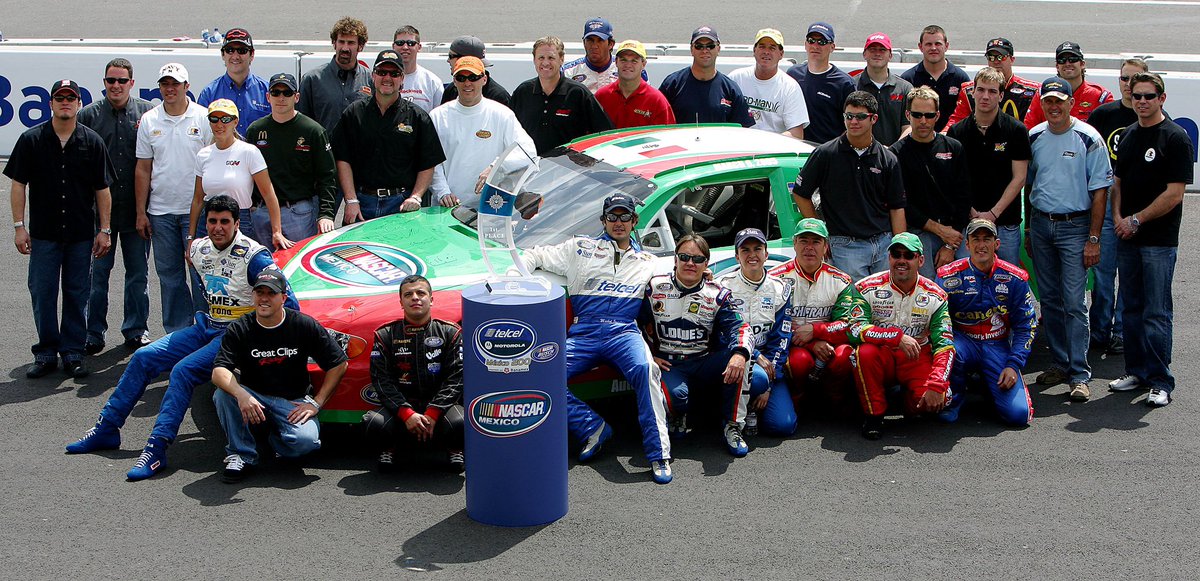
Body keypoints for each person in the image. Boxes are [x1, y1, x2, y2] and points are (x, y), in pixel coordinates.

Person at [65, 195, 298, 482]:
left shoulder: (255, 256)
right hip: (208, 326)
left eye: (225, 222)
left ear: (237, 224)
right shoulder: (198, 249)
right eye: (212, 221)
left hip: (239, 335)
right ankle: (106, 429)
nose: (218, 228)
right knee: (143, 357)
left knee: (183, 371)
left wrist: (258, 337)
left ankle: (157, 448)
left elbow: (290, 304)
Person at [522, 193, 672, 484]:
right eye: (612, 216)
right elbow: (533, 255)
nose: (618, 222)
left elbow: (679, 282)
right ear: (603, 220)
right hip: (584, 332)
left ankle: (659, 454)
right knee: (539, 373)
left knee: (646, 370)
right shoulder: (579, 248)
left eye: (624, 216)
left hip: (624, 331)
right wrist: (514, 280)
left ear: (634, 221)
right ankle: (592, 427)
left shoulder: (649, 261)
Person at [6, 79, 114, 379]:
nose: (65, 102)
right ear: (51, 103)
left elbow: (103, 189)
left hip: (81, 235)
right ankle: (45, 352)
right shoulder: (31, 140)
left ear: (79, 103)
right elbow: (18, 185)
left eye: (70, 98)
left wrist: (105, 229)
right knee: (42, 293)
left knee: (78, 294)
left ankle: (73, 352)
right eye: (59, 97)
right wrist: (19, 226)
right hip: (44, 235)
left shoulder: (92, 142)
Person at [211, 270, 348, 482]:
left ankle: (272, 439)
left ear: (283, 298)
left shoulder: (302, 324)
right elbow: (218, 371)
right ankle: (241, 454)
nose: (264, 298)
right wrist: (241, 394)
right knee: (223, 394)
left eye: (271, 293)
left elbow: (339, 363)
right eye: (260, 292)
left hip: (293, 400)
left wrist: (317, 402)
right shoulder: (240, 328)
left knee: (306, 443)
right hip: (254, 396)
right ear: (253, 295)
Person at [1109, 72, 1194, 407]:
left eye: (1148, 96)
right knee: (1131, 308)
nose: (1142, 101)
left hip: (1159, 241)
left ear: (1162, 98)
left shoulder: (1176, 137)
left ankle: (1160, 380)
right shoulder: (1129, 135)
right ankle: (1136, 371)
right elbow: (1117, 183)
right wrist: (1118, 217)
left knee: (1156, 312)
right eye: (1137, 96)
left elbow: (1174, 194)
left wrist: (1136, 219)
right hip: (1128, 238)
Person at [1026, 77, 1113, 402]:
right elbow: (1028, 184)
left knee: (1074, 303)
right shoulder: (1034, 136)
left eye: (1059, 101)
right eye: (1048, 101)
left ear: (1071, 103)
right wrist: (1029, 230)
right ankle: (1060, 364)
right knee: (1049, 299)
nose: (1054, 107)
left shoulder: (1089, 137)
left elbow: (1100, 191)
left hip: (1076, 227)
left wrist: (1094, 238)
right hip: (1041, 224)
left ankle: (1079, 373)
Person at [832, 233, 954, 439]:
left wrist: (937, 384)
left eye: (909, 255)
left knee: (941, 398)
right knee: (864, 352)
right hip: (883, 354)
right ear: (889, 258)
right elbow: (854, 330)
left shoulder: (936, 295)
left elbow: (945, 345)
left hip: (916, 356)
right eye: (896, 254)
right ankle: (874, 415)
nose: (901, 260)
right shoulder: (866, 287)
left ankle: (906, 403)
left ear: (920, 260)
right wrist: (895, 337)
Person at [640, 234, 753, 455]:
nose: (690, 263)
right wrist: (648, 355)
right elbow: (633, 325)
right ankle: (678, 413)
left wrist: (739, 354)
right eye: (684, 257)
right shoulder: (654, 288)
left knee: (743, 358)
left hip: (704, 361)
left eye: (698, 259)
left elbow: (741, 328)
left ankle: (732, 425)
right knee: (674, 399)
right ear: (675, 259)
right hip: (670, 364)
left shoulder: (717, 294)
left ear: (706, 264)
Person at [78, 58, 154, 354]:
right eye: (111, 80)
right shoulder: (88, 115)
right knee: (97, 276)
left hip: (137, 211)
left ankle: (136, 330)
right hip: (100, 215)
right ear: (104, 82)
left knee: (138, 275)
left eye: (122, 80)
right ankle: (93, 332)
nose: (116, 85)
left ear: (132, 83)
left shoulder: (148, 113)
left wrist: (144, 211)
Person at [792, 91, 907, 280]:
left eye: (860, 117)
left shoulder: (888, 159)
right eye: (849, 116)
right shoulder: (825, 154)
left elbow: (897, 206)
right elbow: (800, 193)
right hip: (844, 244)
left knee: (885, 298)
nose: (853, 121)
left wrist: (900, 246)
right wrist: (820, 233)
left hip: (883, 242)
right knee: (854, 299)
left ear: (874, 119)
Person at [136, 63, 213, 333]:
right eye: (165, 84)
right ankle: (178, 334)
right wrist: (141, 212)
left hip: (197, 212)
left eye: (175, 84)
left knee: (200, 274)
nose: (170, 89)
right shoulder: (149, 120)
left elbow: (213, 162)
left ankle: (204, 331)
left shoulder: (203, 117)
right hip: (161, 212)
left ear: (186, 87)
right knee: (170, 277)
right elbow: (143, 168)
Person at [936, 219, 1036, 426]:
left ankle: (984, 383)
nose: (981, 245)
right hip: (963, 343)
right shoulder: (948, 276)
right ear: (967, 245)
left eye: (987, 239)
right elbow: (938, 323)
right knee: (950, 348)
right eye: (976, 239)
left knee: (1018, 416)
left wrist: (1013, 364)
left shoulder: (1015, 278)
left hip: (997, 345)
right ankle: (953, 400)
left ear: (996, 244)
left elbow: (1026, 327)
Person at [363, 275, 464, 472]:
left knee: (461, 423)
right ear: (401, 302)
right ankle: (390, 448)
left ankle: (454, 449)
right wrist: (407, 413)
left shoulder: (450, 332)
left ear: (431, 299)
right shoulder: (385, 334)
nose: (415, 298)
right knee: (373, 423)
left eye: (421, 293)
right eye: (408, 294)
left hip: (441, 409)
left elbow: (457, 377)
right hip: (401, 409)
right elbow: (381, 380)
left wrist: (433, 412)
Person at [330, 50, 445, 221]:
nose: (387, 78)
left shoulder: (417, 117)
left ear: (402, 78)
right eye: (382, 72)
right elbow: (342, 158)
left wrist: (416, 197)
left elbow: (428, 163)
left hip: (401, 204)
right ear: (373, 76)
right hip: (361, 203)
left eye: (394, 73)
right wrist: (351, 199)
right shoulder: (354, 112)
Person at [1085, 58, 1150, 356]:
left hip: (1136, 209)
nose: (1129, 85)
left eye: (1135, 79)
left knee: (1130, 274)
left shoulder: (1154, 117)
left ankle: (1122, 331)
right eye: (1125, 79)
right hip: (1104, 205)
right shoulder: (1102, 115)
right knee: (1102, 273)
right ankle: (1099, 330)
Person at [716, 228, 796, 439]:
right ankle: (731, 415)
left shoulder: (780, 289)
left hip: (769, 363)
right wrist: (755, 355)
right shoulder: (723, 287)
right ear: (737, 256)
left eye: (757, 249)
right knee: (757, 378)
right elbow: (721, 335)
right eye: (745, 250)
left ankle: (756, 399)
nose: (752, 255)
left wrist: (769, 384)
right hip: (736, 357)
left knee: (782, 425)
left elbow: (782, 339)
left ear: (766, 254)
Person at [947, 67, 1031, 266]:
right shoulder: (956, 132)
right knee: (968, 280)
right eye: (981, 90)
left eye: (992, 91)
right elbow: (952, 180)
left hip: (1005, 224)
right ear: (973, 92)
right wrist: (972, 213)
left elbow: (1019, 177)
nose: (986, 96)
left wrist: (993, 214)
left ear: (1001, 96)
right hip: (968, 223)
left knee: (1007, 279)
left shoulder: (1016, 130)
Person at [770, 219, 856, 411]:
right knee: (799, 360)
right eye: (804, 241)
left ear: (825, 247)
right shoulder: (775, 279)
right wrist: (810, 342)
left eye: (816, 242)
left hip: (829, 344)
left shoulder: (841, 280)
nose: (809, 247)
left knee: (845, 355)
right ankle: (798, 397)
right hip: (790, 345)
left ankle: (834, 397)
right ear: (794, 244)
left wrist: (816, 331)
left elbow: (848, 325)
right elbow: (770, 323)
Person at [429, 56, 535, 207]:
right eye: (461, 78)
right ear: (454, 81)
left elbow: (527, 151)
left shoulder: (502, 114)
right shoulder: (437, 116)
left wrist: (495, 168)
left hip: (491, 206)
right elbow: (430, 161)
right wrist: (442, 192)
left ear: (484, 79)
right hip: (448, 207)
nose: (467, 83)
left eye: (473, 77)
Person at [187, 100, 289, 251]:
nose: (219, 124)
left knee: (239, 265)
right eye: (214, 119)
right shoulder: (203, 154)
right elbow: (197, 199)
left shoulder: (249, 152)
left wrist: (277, 231)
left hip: (240, 220)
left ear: (235, 122)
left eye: (225, 119)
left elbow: (268, 194)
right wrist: (191, 237)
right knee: (206, 266)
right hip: (209, 221)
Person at [890, 86, 971, 276]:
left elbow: (964, 196)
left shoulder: (954, 147)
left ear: (938, 116)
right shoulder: (895, 154)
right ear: (908, 115)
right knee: (925, 288)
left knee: (968, 282)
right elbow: (901, 203)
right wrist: (939, 230)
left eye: (929, 115)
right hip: (918, 232)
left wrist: (950, 244)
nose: (923, 121)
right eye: (917, 115)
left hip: (955, 231)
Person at [247, 72, 337, 239]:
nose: (281, 98)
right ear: (268, 97)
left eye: (287, 93)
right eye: (276, 92)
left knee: (299, 256)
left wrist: (326, 214)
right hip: (262, 212)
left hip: (298, 213)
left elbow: (327, 175)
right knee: (263, 257)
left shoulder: (313, 131)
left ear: (296, 97)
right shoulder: (255, 130)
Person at [510, 36, 612, 156]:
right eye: (541, 58)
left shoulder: (578, 94)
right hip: (529, 165)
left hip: (567, 167)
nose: (545, 63)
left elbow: (605, 134)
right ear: (534, 60)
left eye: (551, 58)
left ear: (561, 59)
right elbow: (507, 131)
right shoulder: (523, 92)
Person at [658, 26, 753, 127]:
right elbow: (657, 123)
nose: (705, 50)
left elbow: (743, 129)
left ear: (718, 49)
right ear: (691, 49)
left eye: (710, 46)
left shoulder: (731, 89)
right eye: (699, 46)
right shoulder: (672, 84)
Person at [297, 17, 372, 138]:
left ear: (361, 46)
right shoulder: (312, 79)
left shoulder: (370, 79)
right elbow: (301, 123)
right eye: (341, 42)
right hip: (323, 149)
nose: (345, 48)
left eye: (351, 43)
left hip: (359, 149)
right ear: (334, 43)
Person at [727, 28, 807, 138]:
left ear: (781, 54)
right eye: (762, 46)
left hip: (773, 147)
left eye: (772, 48)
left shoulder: (790, 88)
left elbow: (796, 133)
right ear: (754, 50)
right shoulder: (736, 78)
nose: (766, 52)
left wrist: (766, 142)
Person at [944, 38, 1039, 129]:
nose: (996, 62)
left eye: (1001, 57)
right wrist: (944, 134)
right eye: (991, 57)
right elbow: (956, 120)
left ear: (1012, 59)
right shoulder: (968, 90)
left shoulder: (1033, 91)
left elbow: (1035, 126)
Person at [786, 22, 856, 144]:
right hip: (796, 147)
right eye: (811, 41)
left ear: (832, 47)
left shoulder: (844, 83)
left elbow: (853, 123)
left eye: (822, 42)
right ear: (805, 44)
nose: (815, 46)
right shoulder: (793, 74)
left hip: (828, 150)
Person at [196, 27, 269, 135]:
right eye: (230, 50)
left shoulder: (268, 91)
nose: (235, 56)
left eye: (242, 51)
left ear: (252, 55)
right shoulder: (209, 94)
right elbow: (202, 133)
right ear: (222, 54)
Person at [1023, 42, 1114, 129]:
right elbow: (1029, 128)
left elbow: (1111, 131)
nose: (1067, 64)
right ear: (1057, 66)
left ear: (1082, 64)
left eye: (1072, 59)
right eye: (1062, 60)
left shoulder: (1100, 97)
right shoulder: (1043, 93)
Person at [900, 25, 970, 133]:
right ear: (920, 47)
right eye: (928, 44)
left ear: (946, 46)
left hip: (952, 140)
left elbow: (966, 116)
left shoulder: (960, 78)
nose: (933, 48)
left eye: (938, 44)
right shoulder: (908, 79)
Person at [594, 40, 675, 128]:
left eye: (634, 61)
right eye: (623, 60)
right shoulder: (601, 96)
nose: (628, 65)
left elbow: (668, 133)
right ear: (616, 62)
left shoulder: (657, 101)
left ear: (643, 64)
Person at [854, 32, 912, 145]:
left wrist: (892, 150)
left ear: (890, 55)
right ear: (864, 54)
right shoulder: (852, 85)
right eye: (872, 50)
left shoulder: (905, 88)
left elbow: (909, 126)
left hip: (895, 153)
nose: (877, 53)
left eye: (882, 50)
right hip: (859, 152)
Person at [440, 35, 511, 107]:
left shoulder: (498, 97)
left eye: (450, 56)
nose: (448, 60)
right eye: (461, 78)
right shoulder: (451, 90)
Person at [562, 17, 623, 92]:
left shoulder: (624, 69)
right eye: (590, 40)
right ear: (584, 43)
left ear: (611, 44)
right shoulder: (568, 73)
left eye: (600, 40)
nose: (594, 46)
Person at [392, 25, 444, 112]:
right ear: (393, 46)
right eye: (400, 43)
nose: (405, 47)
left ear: (419, 47)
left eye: (411, 43)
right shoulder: (384, 80)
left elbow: (439, 116)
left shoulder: (433, 82)